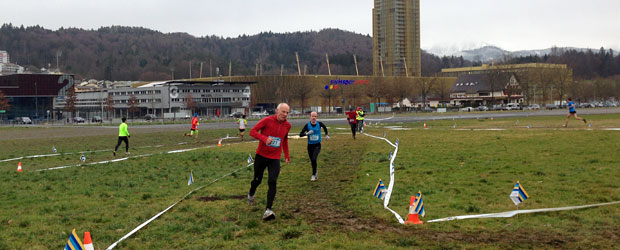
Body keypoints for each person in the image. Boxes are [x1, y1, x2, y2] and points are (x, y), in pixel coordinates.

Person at [247, 103, 291, 221]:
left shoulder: (287, 125)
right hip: (261, 156)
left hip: (275, 158)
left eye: (287, 113)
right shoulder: (267, 120)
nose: (285, 115)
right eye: (283, 112)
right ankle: (251, 193)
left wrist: (286, 155)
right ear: (277, 111)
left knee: (272, 181)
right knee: (257, 180)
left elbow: (284, 140)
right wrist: (264, 139)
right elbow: (252, 132)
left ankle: (268, 209)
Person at [299, 111, 329, 181]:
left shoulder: (319, 124)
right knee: (312, 161)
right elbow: (300, 134)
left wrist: (326, 134)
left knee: (314, 158)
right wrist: (307, 134)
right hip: (310, 146)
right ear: (310, 117)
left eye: (315, 116)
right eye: (312, 116)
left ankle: (313, 174)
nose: (314, 118)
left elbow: (325, 128)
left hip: (317, 145)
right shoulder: (307, 125)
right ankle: (315, 172)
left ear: (317, 117)